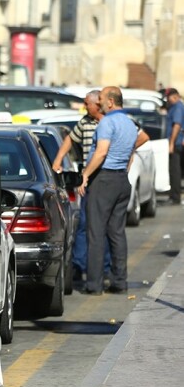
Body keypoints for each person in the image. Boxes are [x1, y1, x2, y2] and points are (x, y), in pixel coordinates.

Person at [77, 86, 138, 295]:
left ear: (111, 102)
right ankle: (119, 281)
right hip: (121, 178)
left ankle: (94, 284)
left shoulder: (107, 123)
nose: (100, 102)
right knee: (117, 232)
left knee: (96, 233)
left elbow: (101, 152)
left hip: (103, 180)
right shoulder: (130, 124)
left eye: (101, 99)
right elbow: (131, 152)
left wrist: (85, 175)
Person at [52, 90, 107, 286]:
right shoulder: (85, 122)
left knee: (105, 226)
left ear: (97, 104)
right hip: (87, 179)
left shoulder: (110, 122)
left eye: (87, 103)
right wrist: (58, 160)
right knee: (84, 224)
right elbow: (70, 139)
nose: (84, 107)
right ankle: (80, 265)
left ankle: (105, 269)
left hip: (105, 177)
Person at [165, 88, 184, 204]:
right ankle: (173, 195)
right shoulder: (175, 106)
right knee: (174, 169)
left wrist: (171, 143)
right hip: (175, 142)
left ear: (175, 96)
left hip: (176, 143)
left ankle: (175, 197)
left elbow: (176, 125)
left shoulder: (177, 107)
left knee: (175, 170)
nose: (168, 100)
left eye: (169, 97)